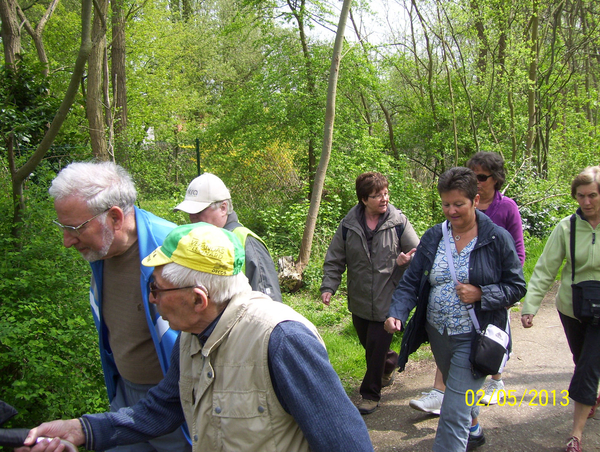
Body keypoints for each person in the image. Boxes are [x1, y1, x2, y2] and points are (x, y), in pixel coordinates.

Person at [17, 223, 374, 452]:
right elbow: (159, 409)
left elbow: (346, 443)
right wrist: (80, 430)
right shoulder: (193, 335)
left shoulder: (281, 339)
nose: (151, 299)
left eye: (155, 288)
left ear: (198, 298)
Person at [48, 162, 190, 452]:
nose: (66, 241)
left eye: (74, 228)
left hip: (175, 404)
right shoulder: (102, 250)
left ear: (114, 217)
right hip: (124, 396)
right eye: (62, 227)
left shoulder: (176, 249)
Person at [385, 167, 526, 451]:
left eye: (459, 204)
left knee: (452, 412)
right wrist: (396, 313)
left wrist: (482, 293)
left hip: (474, 336)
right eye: (446, 204)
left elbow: (516, 286)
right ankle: (472, 428)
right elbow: (412, 282)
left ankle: (459, 431)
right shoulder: (435, 236)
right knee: (461, 396)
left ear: (475, 200)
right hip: (438, 334)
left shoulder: (496, 238)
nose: (452, 210)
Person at [410, 151, 526, 414]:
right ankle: (444, 395)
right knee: (451, 343)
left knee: (486, 347)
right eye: (473, 176)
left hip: (489, 290)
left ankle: (493, 382)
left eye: (482, 177)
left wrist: (491, 291)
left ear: (494, 179)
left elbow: (516, 255)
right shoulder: (449, 215)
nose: (478, 180)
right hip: (450, 308)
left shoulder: (505, 209)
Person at [320, 172, 420, 414]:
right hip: (360, 299)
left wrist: (404, 260)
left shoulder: (398, 222)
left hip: (390, 299)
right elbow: (335, 259)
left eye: (385, 193)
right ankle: (389, 363)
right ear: (364, 199)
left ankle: (370, 394)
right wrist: (328, 287)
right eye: (377, 195)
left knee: (375, 345)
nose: (384, 199)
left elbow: (418, 251)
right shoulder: (348, 225)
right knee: (370, 345)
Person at [521, 166, 600, 452]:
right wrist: (530, 306)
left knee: (588, 368)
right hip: (572, 308)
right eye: (581, 196)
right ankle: (591, 395)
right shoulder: (566, 227)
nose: (587, 202)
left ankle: (575, 436)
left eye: (592, 195)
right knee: (582, 361)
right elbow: (545, 269)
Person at [174, 172, 282, 302]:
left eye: (198, 211)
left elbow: (269, 307)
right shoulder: (196, 241)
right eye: (189, 211)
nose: (192, 217)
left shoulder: (248, 243)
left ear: (223, 208)